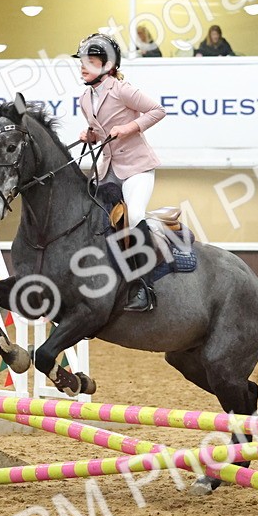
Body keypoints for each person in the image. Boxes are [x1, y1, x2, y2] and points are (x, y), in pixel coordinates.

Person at [73, 32, 166, 312]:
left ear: (108, 66)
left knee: (135, 214)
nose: (83, 66)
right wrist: (91, 135)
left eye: (90, 61)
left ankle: (144, 286)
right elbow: (101, 131)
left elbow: (157, 110)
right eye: (82, 62)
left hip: (136, 168)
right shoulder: (84, 99)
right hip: (107, 169)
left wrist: (129, 128)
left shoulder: (122, 89)